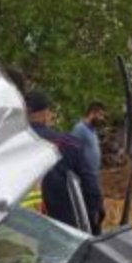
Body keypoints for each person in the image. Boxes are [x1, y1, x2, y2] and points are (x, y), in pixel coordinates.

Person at [25, 91, 103, 233]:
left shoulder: (8, 144)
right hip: (60, 228)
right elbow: (89, 183)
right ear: (45, 113)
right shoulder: (68, 143)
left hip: (19, 226)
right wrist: (96, 213)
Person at [70, 101, 105, 185]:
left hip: (93, 175)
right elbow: (72, 152)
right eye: (100, 115)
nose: (102, 118)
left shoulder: (93, 130)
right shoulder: (79, 129)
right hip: (83, 177)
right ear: (92, 113)